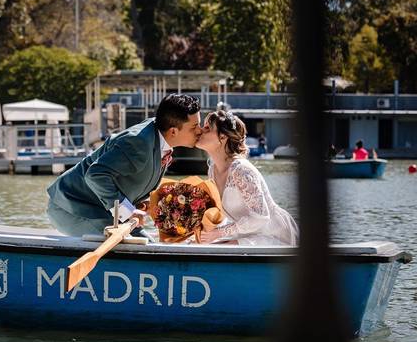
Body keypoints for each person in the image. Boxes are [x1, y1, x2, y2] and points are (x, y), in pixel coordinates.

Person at [46, 93, 203, 237]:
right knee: (143, 248)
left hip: (101, 210)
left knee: (148, 243)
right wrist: (128, 212)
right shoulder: (139, 142)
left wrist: (142, 203)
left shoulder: (158, 135)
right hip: (72, 207)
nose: (200, 131)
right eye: (194, 127)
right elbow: (95, 175)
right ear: (173, 131)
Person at [196, 107, 298, 246]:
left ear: (223, 137)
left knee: (222, 246)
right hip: (247, 233)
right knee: (201, 243)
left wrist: (218, 233)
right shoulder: (213, 170)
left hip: (272, 233)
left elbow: (261, 218)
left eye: (207, 128)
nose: (201, 130)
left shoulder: (241, 170)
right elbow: (222, 215)